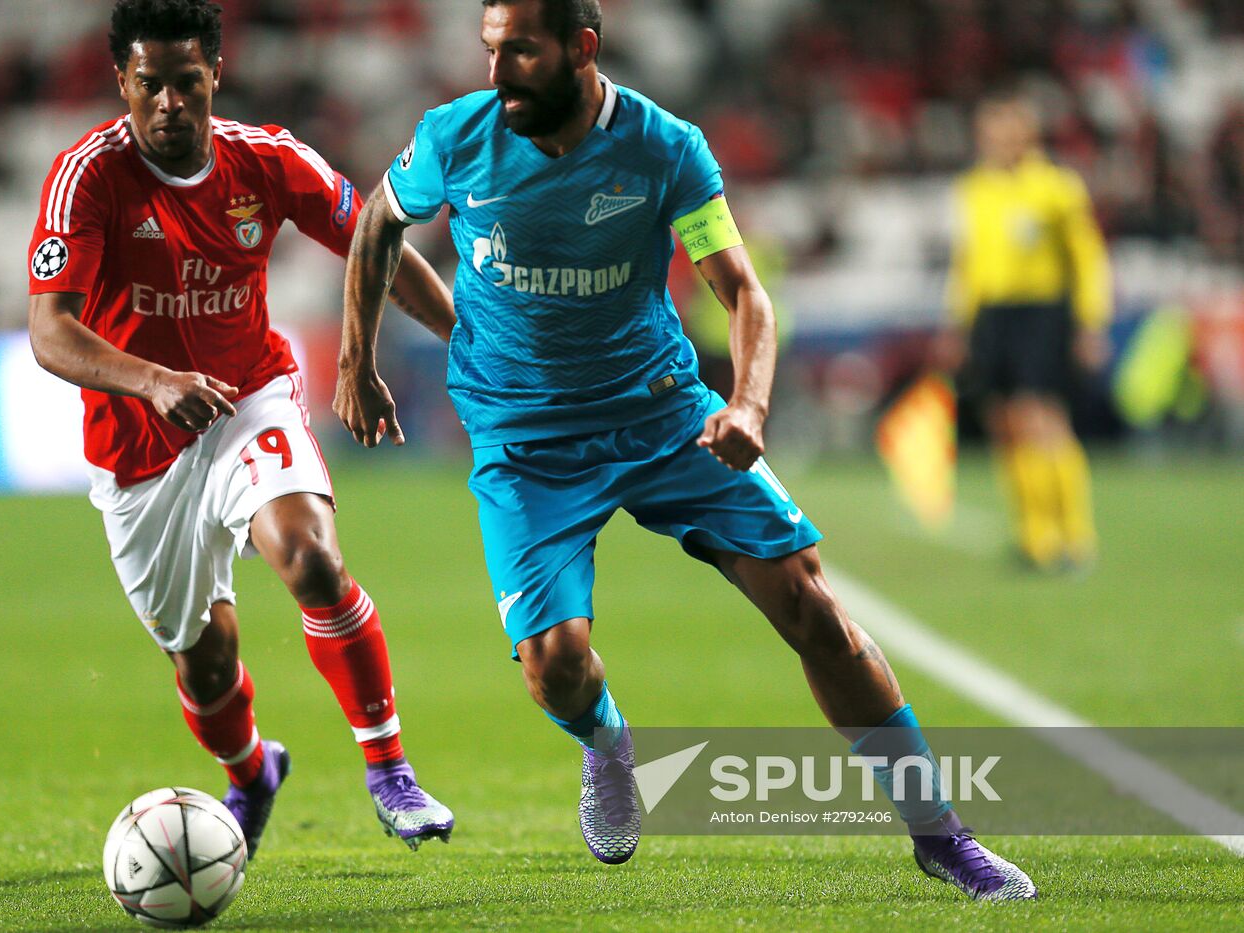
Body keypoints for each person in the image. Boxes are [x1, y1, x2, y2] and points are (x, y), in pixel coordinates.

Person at [335, 0, 1035, 901]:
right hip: (527, 441)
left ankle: (941, 833)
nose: (498, 70)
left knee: (812, 604)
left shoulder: (665, 149)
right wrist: (357, 359)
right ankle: (610, 744)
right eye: (490, 49)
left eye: (520, 51)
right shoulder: (453, 139)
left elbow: (741, 290)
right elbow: (377, 224)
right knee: (555, 665)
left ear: (582, 49)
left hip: (663, 417)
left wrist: (747, 402)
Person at [26, 0, 455, 858]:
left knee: (312, 558)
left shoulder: (267, 160)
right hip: (139, 449)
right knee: (206, 661)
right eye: (151, 85)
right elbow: (50, 330)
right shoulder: (88, 178)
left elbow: (374, 241)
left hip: (246, 398)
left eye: (188, 82)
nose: (171, 103)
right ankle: (254, 770)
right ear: (124, 82)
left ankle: (390, 769)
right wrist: (151, 381)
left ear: (214, 75)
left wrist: (472, 345)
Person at [944, 92, 1112, 572]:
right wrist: (958, 324)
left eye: (1002, 130)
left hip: (1041, 312)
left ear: (1026, 135)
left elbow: (1087, 257)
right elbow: (968, 262)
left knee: (1042, 418)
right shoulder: (975, 188)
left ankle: (1075, 537)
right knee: (1004, 423)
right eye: (987, 132)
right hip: (993, 316)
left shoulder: (1057, 189)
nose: (993, 141)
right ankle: (1034, 536)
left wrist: (1090, 321)